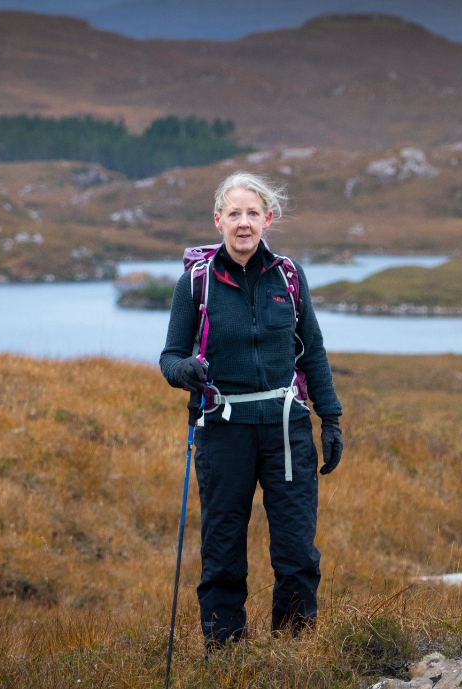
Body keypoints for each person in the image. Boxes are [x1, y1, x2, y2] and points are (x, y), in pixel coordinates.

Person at [159, 171, 343, 648]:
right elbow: (170, 356)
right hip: (224, 431)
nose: (244, 223)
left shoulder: (289, 276)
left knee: (297, 552)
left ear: (268, 219)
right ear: (218, 220)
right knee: (222, 555)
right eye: (234, 214)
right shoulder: (194, 284)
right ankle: (226, 660)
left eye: (253, 213)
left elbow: (314, 351)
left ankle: (293, 655)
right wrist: (185, 372)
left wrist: (332, 419)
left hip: (287, 429)